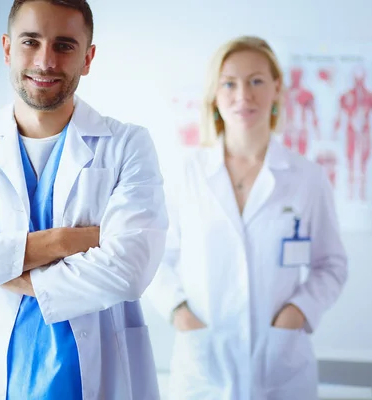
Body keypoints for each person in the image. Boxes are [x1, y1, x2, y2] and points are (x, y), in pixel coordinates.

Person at [0, 1, 168, 399]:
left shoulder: (128, 145)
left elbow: (129, 270)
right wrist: (70, 241)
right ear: (7, 48)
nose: (46, 61)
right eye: (31, 41)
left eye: (65, 45)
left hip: (93, 375)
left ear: (88, 57)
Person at [146, 36, 348, 400]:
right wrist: (181, 315)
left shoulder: (307, 177)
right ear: (214, 95)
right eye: (229, 83)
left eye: (256, 80)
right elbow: (154, 259)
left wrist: (297, 312)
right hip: (202, 364)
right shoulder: (186, 173)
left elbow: (331, 265)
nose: (244, 95)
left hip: (281, 364)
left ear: (276, 88)